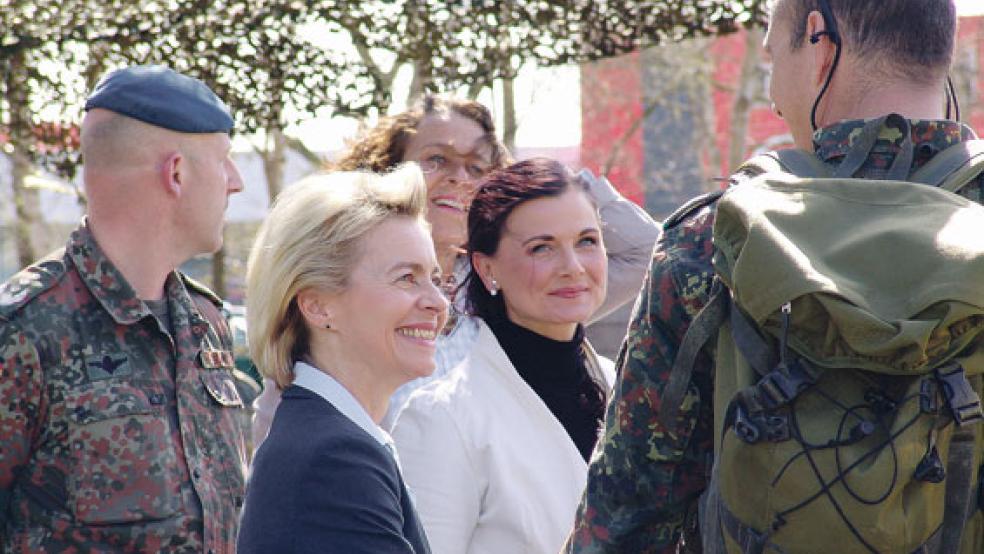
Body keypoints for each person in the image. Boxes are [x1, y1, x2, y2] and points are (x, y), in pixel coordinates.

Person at [567, 1, 984, 553]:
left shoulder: (713, 237)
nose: (771, 95)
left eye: (770, 57)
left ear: (819, 42)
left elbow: (626, 515)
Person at [251, 95, 660, 440]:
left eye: (478, 167)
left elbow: (649, 254)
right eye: (436, 160)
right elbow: (285, 414)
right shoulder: (344, 286)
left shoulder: (504, 284)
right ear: (387, 171)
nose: (460, 177)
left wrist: (555, 184)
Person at [0, 65, 247, 551]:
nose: (236, 182)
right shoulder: (24, 332)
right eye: (225, 161)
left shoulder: (205, 324)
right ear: (176, 173)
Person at [391, 158, 615, 554]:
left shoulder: (625, 388)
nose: (573, 267)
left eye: (587, 241)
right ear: (485, 267)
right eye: (542, 248)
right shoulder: (443, 419)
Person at [237, 166, 443, 553]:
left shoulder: (331, 439)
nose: (438, 302)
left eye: (436, 277)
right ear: (318, 306)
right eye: (406, 278)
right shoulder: (333, 459)